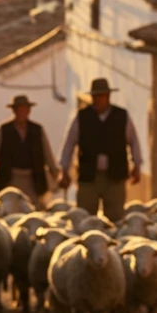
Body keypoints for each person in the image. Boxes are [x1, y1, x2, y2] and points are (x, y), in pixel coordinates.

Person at [57, 78, 143, 220]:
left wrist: (137, 165)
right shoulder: (82, 117)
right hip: (89, 176)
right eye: (95, 96)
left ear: (108, 97)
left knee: (116, 217)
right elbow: (69, 144)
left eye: (101, 96)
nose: (98, 100)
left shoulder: (121, 116)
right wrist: (64, 170)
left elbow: (133, 141)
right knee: (85, 218)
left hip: (115, 176)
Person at [0, 94, 61, 205]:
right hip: (8, 179)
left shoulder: (37, 130)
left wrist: (55, 172)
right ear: (14, 111)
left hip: (32, 180)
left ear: (29, 111)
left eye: (25, 109)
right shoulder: (4, 130)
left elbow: (47, 154)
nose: (22, 112)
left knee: (32, 209)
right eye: (20, 109)